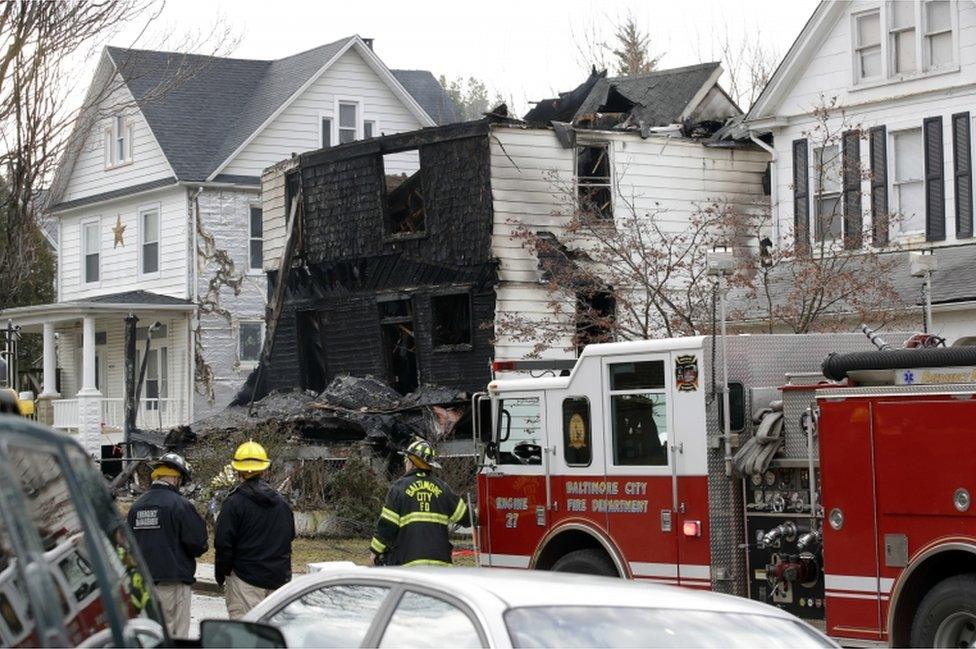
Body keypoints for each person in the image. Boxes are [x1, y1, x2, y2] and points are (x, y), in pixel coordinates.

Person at [126, 453, 207, 637]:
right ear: (174, 477)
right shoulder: (180, 506)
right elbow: (198, 544)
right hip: (173, 584)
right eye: (180, 480)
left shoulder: (136, 507)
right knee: (176, 638)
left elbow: (127, 546)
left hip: (144, 587)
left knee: (151, 638)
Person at [214, 441, 295, 619]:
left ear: (238, 471)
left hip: (245, 580)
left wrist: (222, 573)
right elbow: (289, 537)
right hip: (278, 581)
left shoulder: (233, 503)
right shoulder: (282, 504)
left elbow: (222, 544)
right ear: (264, 470)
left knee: (245, 637)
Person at [370, 438, 470, 567]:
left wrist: (375, 552)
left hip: (410, 566)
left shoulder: (399, 488)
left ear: (412, 463)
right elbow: (467, 518)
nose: (405, 464)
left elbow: (387, 527)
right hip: (442, 567)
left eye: (406, 460)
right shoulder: (443, 488)